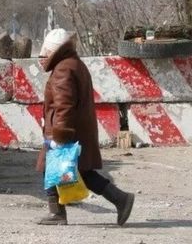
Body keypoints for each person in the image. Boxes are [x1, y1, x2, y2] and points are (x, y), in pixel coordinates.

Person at [36, 28, 135, 226]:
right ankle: (120, 199)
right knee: (81, 172)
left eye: (44, 54)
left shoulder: (63, 69)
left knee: (52, 169)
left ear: (53, 51)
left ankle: (58, 213)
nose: (42, 58)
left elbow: (64, 105)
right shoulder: (75, 64)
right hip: (78, 130)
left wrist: (60, 135)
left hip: (66, 132)